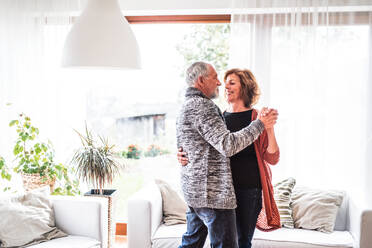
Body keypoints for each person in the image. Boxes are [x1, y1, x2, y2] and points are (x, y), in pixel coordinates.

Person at [176, 62, 278, 248]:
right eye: (217, 79)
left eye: (231, 82)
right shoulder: (212, 110)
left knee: (236, 241)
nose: (221, 84)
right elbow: (226, 145)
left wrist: (266, 126)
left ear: (244, 87)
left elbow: (272, 157)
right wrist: (181, 155)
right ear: (200, 80)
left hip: (245, 189)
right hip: (216, 193)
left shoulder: (257, 115)